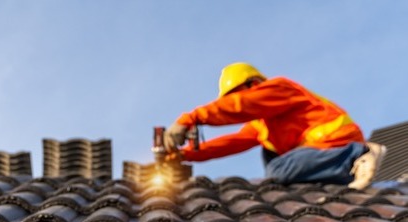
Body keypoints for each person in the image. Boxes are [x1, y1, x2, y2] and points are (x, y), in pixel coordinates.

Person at [163, 62, 386, 189]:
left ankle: (358, 155)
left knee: (277, 169)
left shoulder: (278, 88)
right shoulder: (262, 125)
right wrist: (185, 156)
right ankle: (349, 172)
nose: (230, 102)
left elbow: (241, 105)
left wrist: (189, 119)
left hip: (337, 140)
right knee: (270, 155)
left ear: (254, 84)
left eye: (233, 95)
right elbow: (231, 143)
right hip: (318, 150)